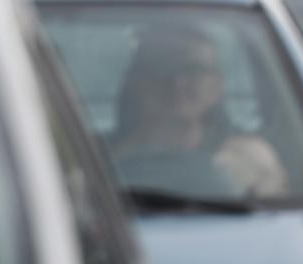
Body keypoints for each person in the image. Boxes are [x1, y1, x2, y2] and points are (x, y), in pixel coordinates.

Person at [113, 28, 288, 199]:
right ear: (135, 81)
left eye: (193, 70)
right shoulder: (96, 162)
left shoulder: (252, 159)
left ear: (217, 85)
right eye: (162, 68)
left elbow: (277, 222)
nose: (177, 82)